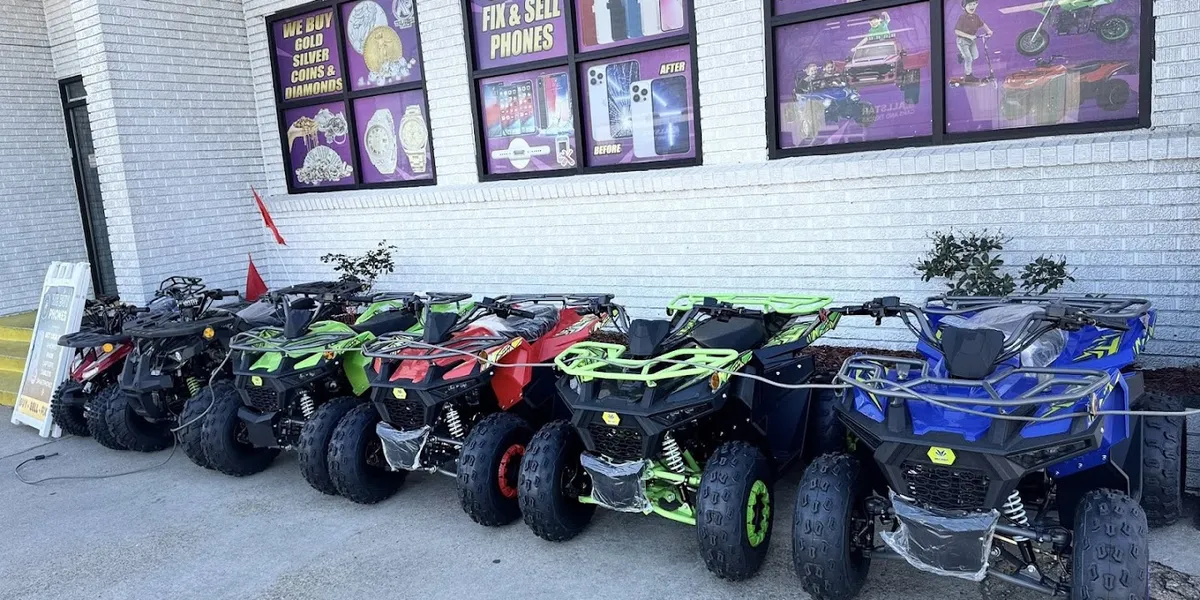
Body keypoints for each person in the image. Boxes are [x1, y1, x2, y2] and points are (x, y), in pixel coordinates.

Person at [955, 0, 993, 82]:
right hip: (962, 41)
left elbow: (982, 24)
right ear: (964, 6)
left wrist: (988, 31)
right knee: (968, 58)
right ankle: (968, 76)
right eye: (969, 5)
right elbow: (957, 31)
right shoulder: (962, 18)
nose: (972, 6)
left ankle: (962, 56)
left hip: (971, 40)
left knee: (975, 56)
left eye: (974, 4)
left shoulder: (976, 17)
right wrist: (969, 36)